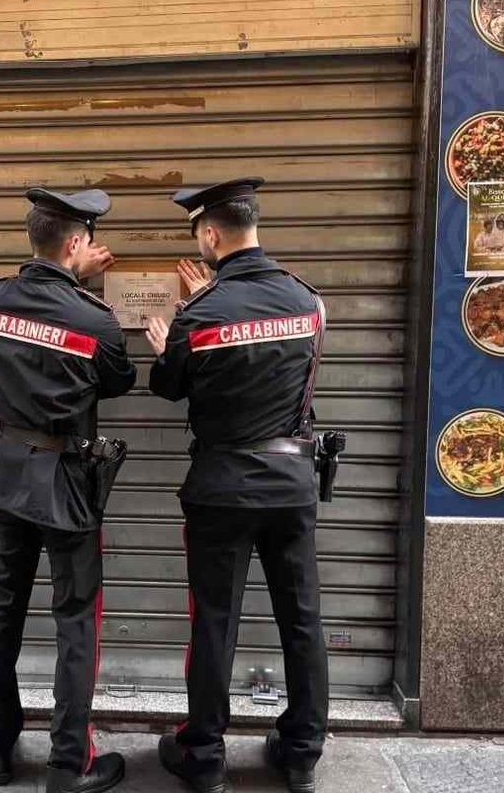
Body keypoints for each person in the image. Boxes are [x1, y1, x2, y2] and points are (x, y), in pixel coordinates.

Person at [145, 178, 329, 793]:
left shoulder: (198, 315)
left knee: (214, 622)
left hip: (221, 490)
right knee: (302, 619)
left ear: (210, 234)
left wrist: (168, 340)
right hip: (291, 485)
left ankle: (203, 757)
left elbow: (168, 386)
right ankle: (301, 754)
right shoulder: (308, 302)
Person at [0, 187, 137, 793]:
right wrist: (81, 291)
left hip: (8, 470)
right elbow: (118, 380)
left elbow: (26, 336)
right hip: (67, 479)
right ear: (75, 244)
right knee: (76, 618)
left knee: (2, 607)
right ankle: (69, 764)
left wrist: (69, 279)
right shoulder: (94, 320)